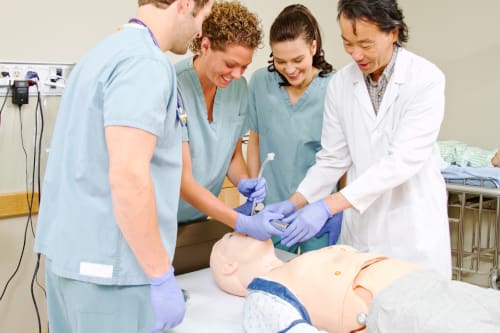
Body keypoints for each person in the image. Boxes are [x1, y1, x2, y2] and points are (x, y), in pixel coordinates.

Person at [33, 1, 214, 332]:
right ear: (186, 4)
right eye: (203, 17)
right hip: (113, 277)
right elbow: (129, 176)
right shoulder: (145, 64)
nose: (201, 30)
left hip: (68, 265)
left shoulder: (98, 55)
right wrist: (160, 274)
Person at [265, 0, 451, 277]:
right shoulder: (341, 84)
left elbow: (401, 162)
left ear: (393, 33)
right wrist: (294, 202)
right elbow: (332, 158)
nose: (355, 54)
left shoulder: (426, 80)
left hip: (412, 233)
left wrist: (327, 206)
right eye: (347, 43)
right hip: (362, 233)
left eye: (365, 44)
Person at [210, 232, 500, 333]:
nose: (239, 228)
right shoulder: (264, 291)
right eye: (231, 236)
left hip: (424, 281)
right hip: (396, 307)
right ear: (228, 265)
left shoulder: (293, 263)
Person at [175, 0, 283, 241]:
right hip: (162, 219)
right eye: (230, 64)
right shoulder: (174, 86)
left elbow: (232, 155)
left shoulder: (238, 89)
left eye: (244, 67)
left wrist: (244, 182)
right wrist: (238, 220)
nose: (236, 74)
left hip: (201, 219)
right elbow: (182, 179)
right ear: (205, 45)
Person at [246, 4, 343, 254]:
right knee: (272, 283)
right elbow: (254, 141)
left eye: (298, 59)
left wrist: (337, 209)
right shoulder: (260, 83)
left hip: (316, 213)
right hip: (272, 211)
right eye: (280, 61)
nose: (290, 69)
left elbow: (342, 159)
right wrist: (254, 201)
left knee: (315, 285)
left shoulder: (335, 88)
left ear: (313, 47)